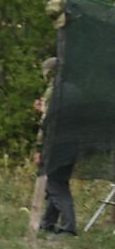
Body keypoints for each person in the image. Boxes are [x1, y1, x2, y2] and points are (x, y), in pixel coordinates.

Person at [36, 56, 77, 235]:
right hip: (72, 144)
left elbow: (49, 122)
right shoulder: (75, 90)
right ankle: (48, 223)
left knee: (55, 185)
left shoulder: (55, 90)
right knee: (56, 183)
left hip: (56, 145)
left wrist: (39, 148)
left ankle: (69, 228)